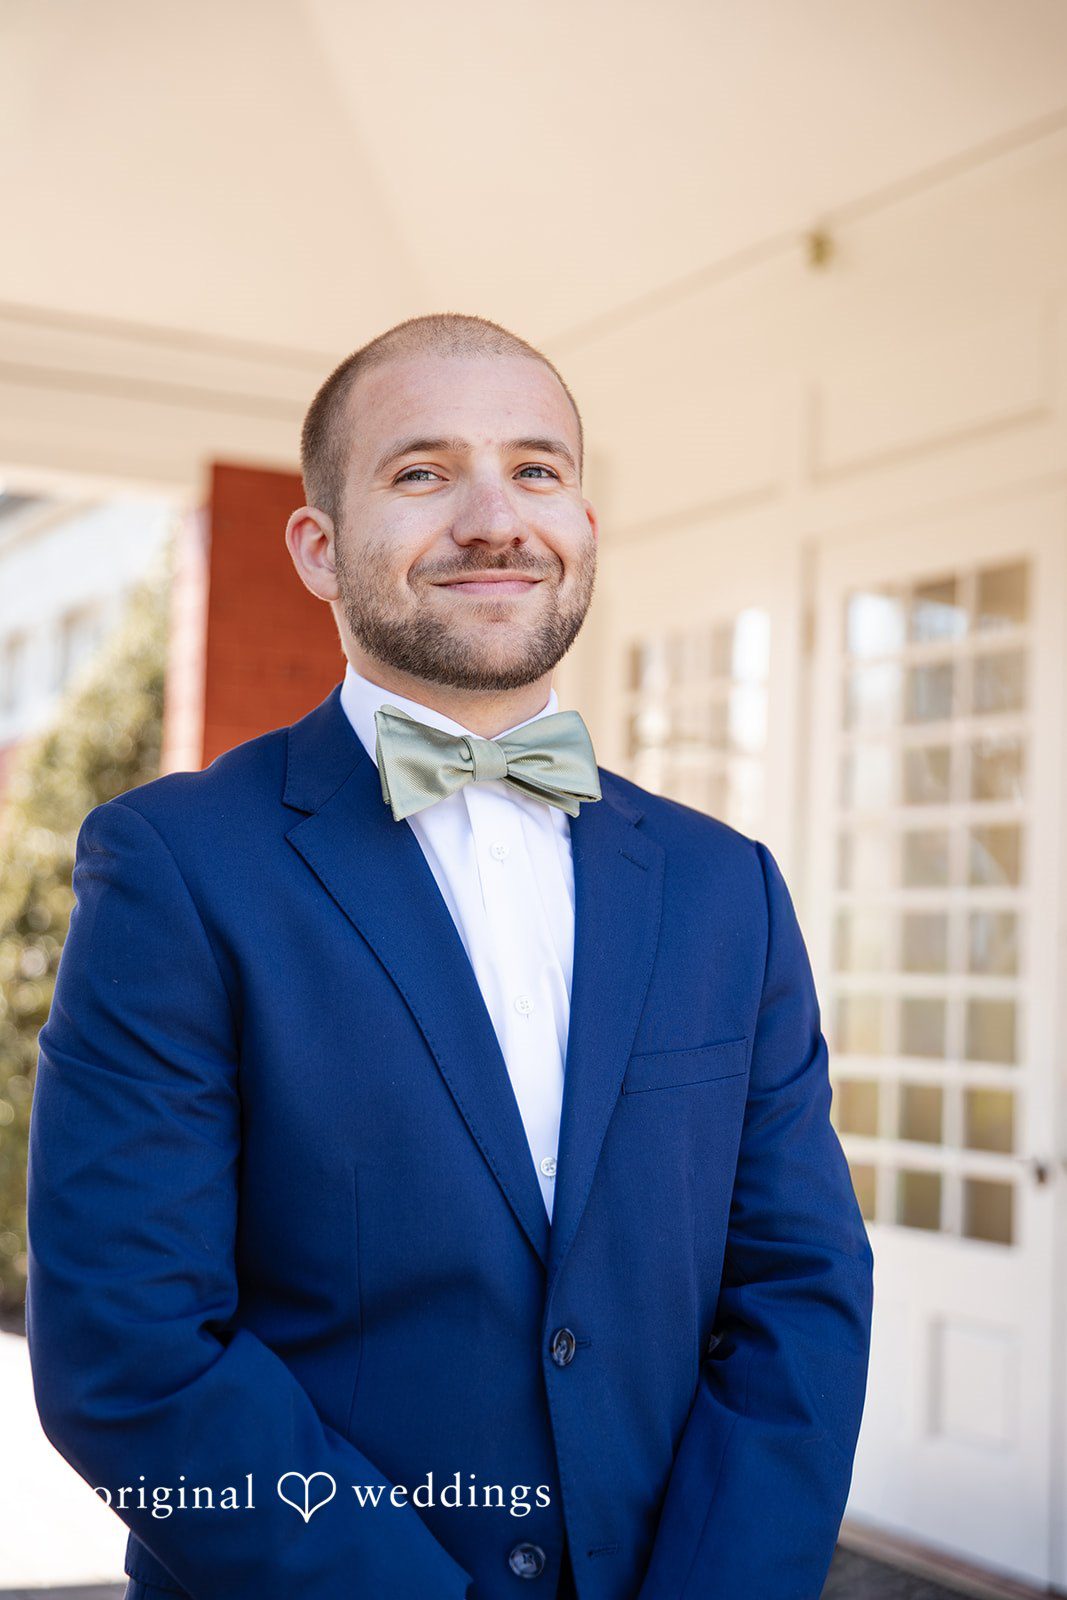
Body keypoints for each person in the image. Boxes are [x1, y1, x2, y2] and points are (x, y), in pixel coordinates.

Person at [26, 312, 874, 1600]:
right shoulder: (176, 866)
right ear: (318, 547)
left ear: (584, 525)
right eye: (423, 472)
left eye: (537, 470)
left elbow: (801, 1289)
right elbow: (129, 1350)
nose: (495, 519)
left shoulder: (727, 887)